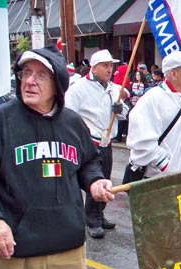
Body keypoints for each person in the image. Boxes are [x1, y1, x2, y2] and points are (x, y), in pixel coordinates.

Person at [0, 44, 114, 269]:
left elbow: (88, 161)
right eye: (25, 73)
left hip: (67, 242)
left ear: (57, 82)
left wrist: (95, 181)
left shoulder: (71, 122)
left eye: (40, 75)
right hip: (17, 246)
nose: (30, 81)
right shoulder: (0, 121)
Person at [65, 49, 128, 239]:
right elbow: (68, 114)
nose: (110, 70)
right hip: (90, 141)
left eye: (111, 66)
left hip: (107, 141)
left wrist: (120, 109)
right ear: (94, 67)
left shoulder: (112, 88)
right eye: (105, 66)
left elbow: (124, 112)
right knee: (95, 179)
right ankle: (91, 220)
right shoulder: (79, 88)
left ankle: (99, 214)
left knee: (105, 179)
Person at [126, 51, 181, 178]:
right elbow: (140, 142)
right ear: (173, 74)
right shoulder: (152, 99)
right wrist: (165, 166)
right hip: (160, 184)